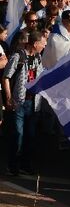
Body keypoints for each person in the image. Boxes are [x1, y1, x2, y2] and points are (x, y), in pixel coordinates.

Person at [3, 30, 46, 176]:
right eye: (42, 43)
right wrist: (8, 97)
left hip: (34, 103)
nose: (44, 45)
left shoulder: (38, 57)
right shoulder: (17, 56)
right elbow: (6, 77)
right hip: (19, 102)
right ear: (35, 44)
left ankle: (25, 164)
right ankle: (13, 165)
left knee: (30, 136)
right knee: (18, 135)